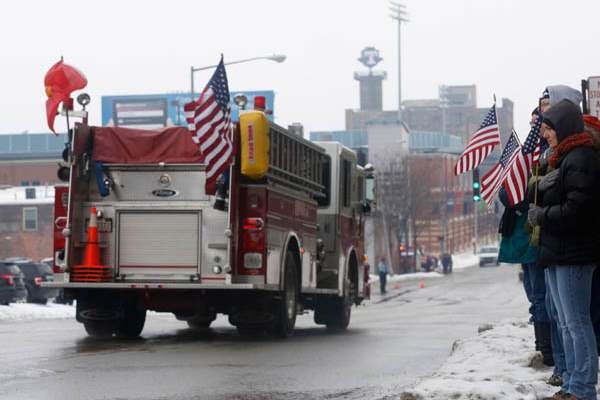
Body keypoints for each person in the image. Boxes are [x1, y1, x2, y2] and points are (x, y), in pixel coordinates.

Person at [529, 99, 600, 400]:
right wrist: (540, 186)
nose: (545, 134)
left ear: (564, 127)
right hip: (559, 253)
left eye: (549, 128)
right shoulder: (561, 158)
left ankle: (583, 388)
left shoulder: (581, 158)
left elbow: (578, 210)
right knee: (566, 324)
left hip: (575, 253)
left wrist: (542, 215)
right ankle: (572, 384)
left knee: (577, 323)